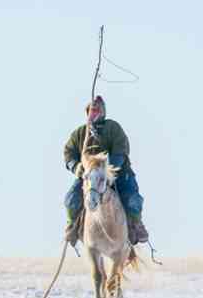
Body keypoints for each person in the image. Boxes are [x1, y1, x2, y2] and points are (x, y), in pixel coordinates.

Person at [63, 95, 149, 246]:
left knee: (133, 200)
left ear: (102, 112)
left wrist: (108, 171)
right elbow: (69, 153)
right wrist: (76, 167)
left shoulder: (113, 128)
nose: (93, 113)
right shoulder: (80, 133)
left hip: (118, 173)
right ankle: (72, 227)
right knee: (71, 200)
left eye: (96, 110)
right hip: (89, 177)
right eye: (90, 110)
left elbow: (120, 152)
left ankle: (136, 226)